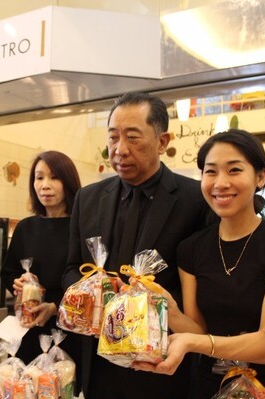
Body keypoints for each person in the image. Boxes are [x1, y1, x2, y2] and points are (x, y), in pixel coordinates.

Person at [132, 129, 265, 397]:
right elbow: (199, 329)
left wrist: (194, 342)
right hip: (208, 386)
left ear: (260, 177)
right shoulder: (191, 248)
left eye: (234, 170)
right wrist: (169, 309)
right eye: (211, 171)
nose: (220, 183)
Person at [61, 91, 211, 399]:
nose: (120, 150)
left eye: (133, 138)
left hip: (160, 364)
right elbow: (70, 269)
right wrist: (94, 295)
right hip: (97, 360)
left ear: (162, 141)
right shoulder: (88, 198)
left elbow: (205, 289)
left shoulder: (195, 200)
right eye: (113, 137)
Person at [1, 151, 82, 372]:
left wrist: (56, 307)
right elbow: (7, 273)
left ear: (68, 182)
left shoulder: (81, 228)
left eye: (54, 177)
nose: (45, 185)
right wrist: (18, 284)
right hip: (27, 330)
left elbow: (87, 284)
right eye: (39, 177)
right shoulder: (25, 227)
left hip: (68, 333)